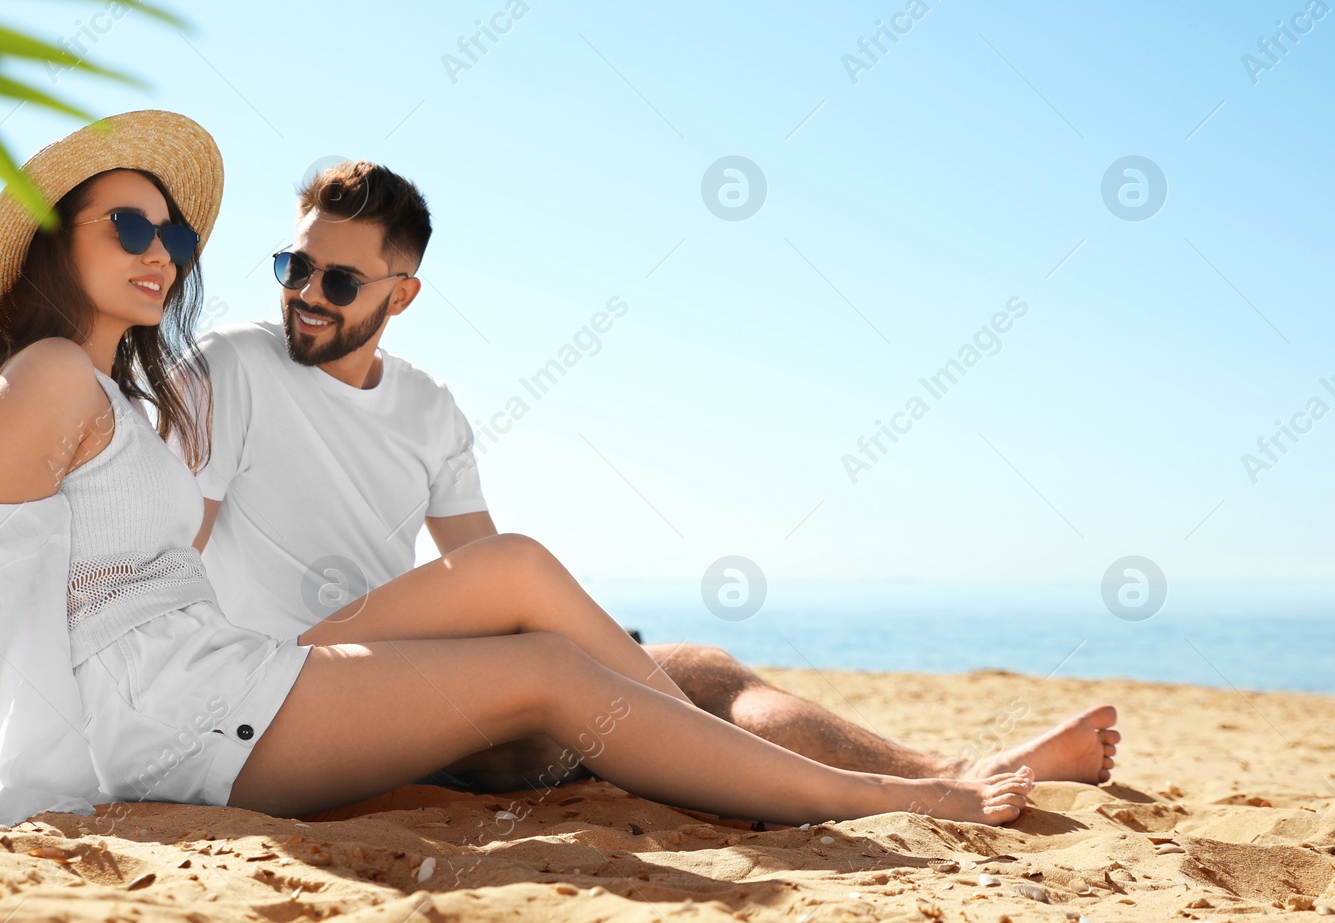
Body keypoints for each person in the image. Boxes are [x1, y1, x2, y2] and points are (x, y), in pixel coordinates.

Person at [0, 110, 1036, 830]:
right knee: (553, 673)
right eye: (130, 225)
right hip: (169, 704)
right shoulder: (58, 380)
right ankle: (876, 800)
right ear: (55, 241)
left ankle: (856, 781)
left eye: (174, 231)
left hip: (216, 674)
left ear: (401, 293)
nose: (166, 250)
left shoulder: (134, 387)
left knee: (536, 589)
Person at [173, 159, 1120, 794]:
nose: (303, 292)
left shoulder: (428, 408)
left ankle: (947, 767)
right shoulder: (235, 364)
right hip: (285, 682)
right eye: (293, 264)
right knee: (537, 587)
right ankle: (888, 784)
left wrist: (595, 655)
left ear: (401, 295)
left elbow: (469, 570)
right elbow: (178, 543)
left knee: (700, 667)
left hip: (403, 677)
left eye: (338, 281)